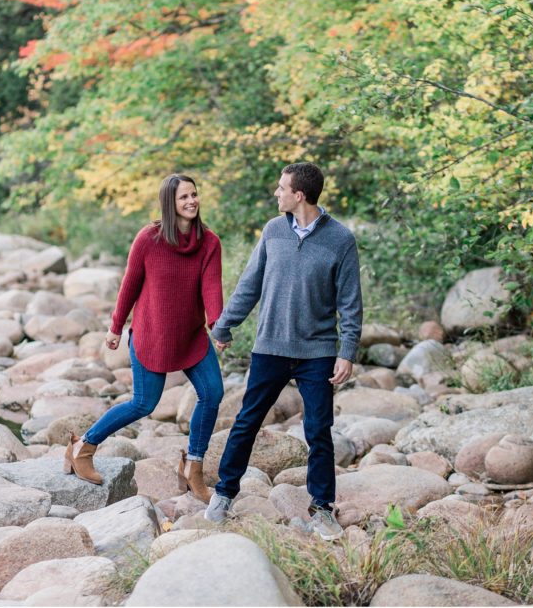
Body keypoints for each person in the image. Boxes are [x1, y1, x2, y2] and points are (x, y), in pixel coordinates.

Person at [204, 162, 362, 540]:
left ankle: (322, 509)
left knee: (319, 431)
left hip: (318, 351)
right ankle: (224, 494)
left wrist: (348, 351)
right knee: (246, 422)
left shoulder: (341, 239)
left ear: (299, 195)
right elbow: (250, 283)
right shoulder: (273, 231)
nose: (277, 193)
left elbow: (350, 303)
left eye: (281, 188)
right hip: (270, 346)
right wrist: (225, 324)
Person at [64, 174, 224, 502]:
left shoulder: (210, 242)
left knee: (213, 393)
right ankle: (82, 446)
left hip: (192, 336)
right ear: (170, 203)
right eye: (184, 197)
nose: (192, 201)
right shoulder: (149, 239)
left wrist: (218, 325)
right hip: (153, 335)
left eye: (194, 195)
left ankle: (192, 467)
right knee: (143, 403)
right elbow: (130, 284)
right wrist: (115, 327)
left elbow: (212, 288)